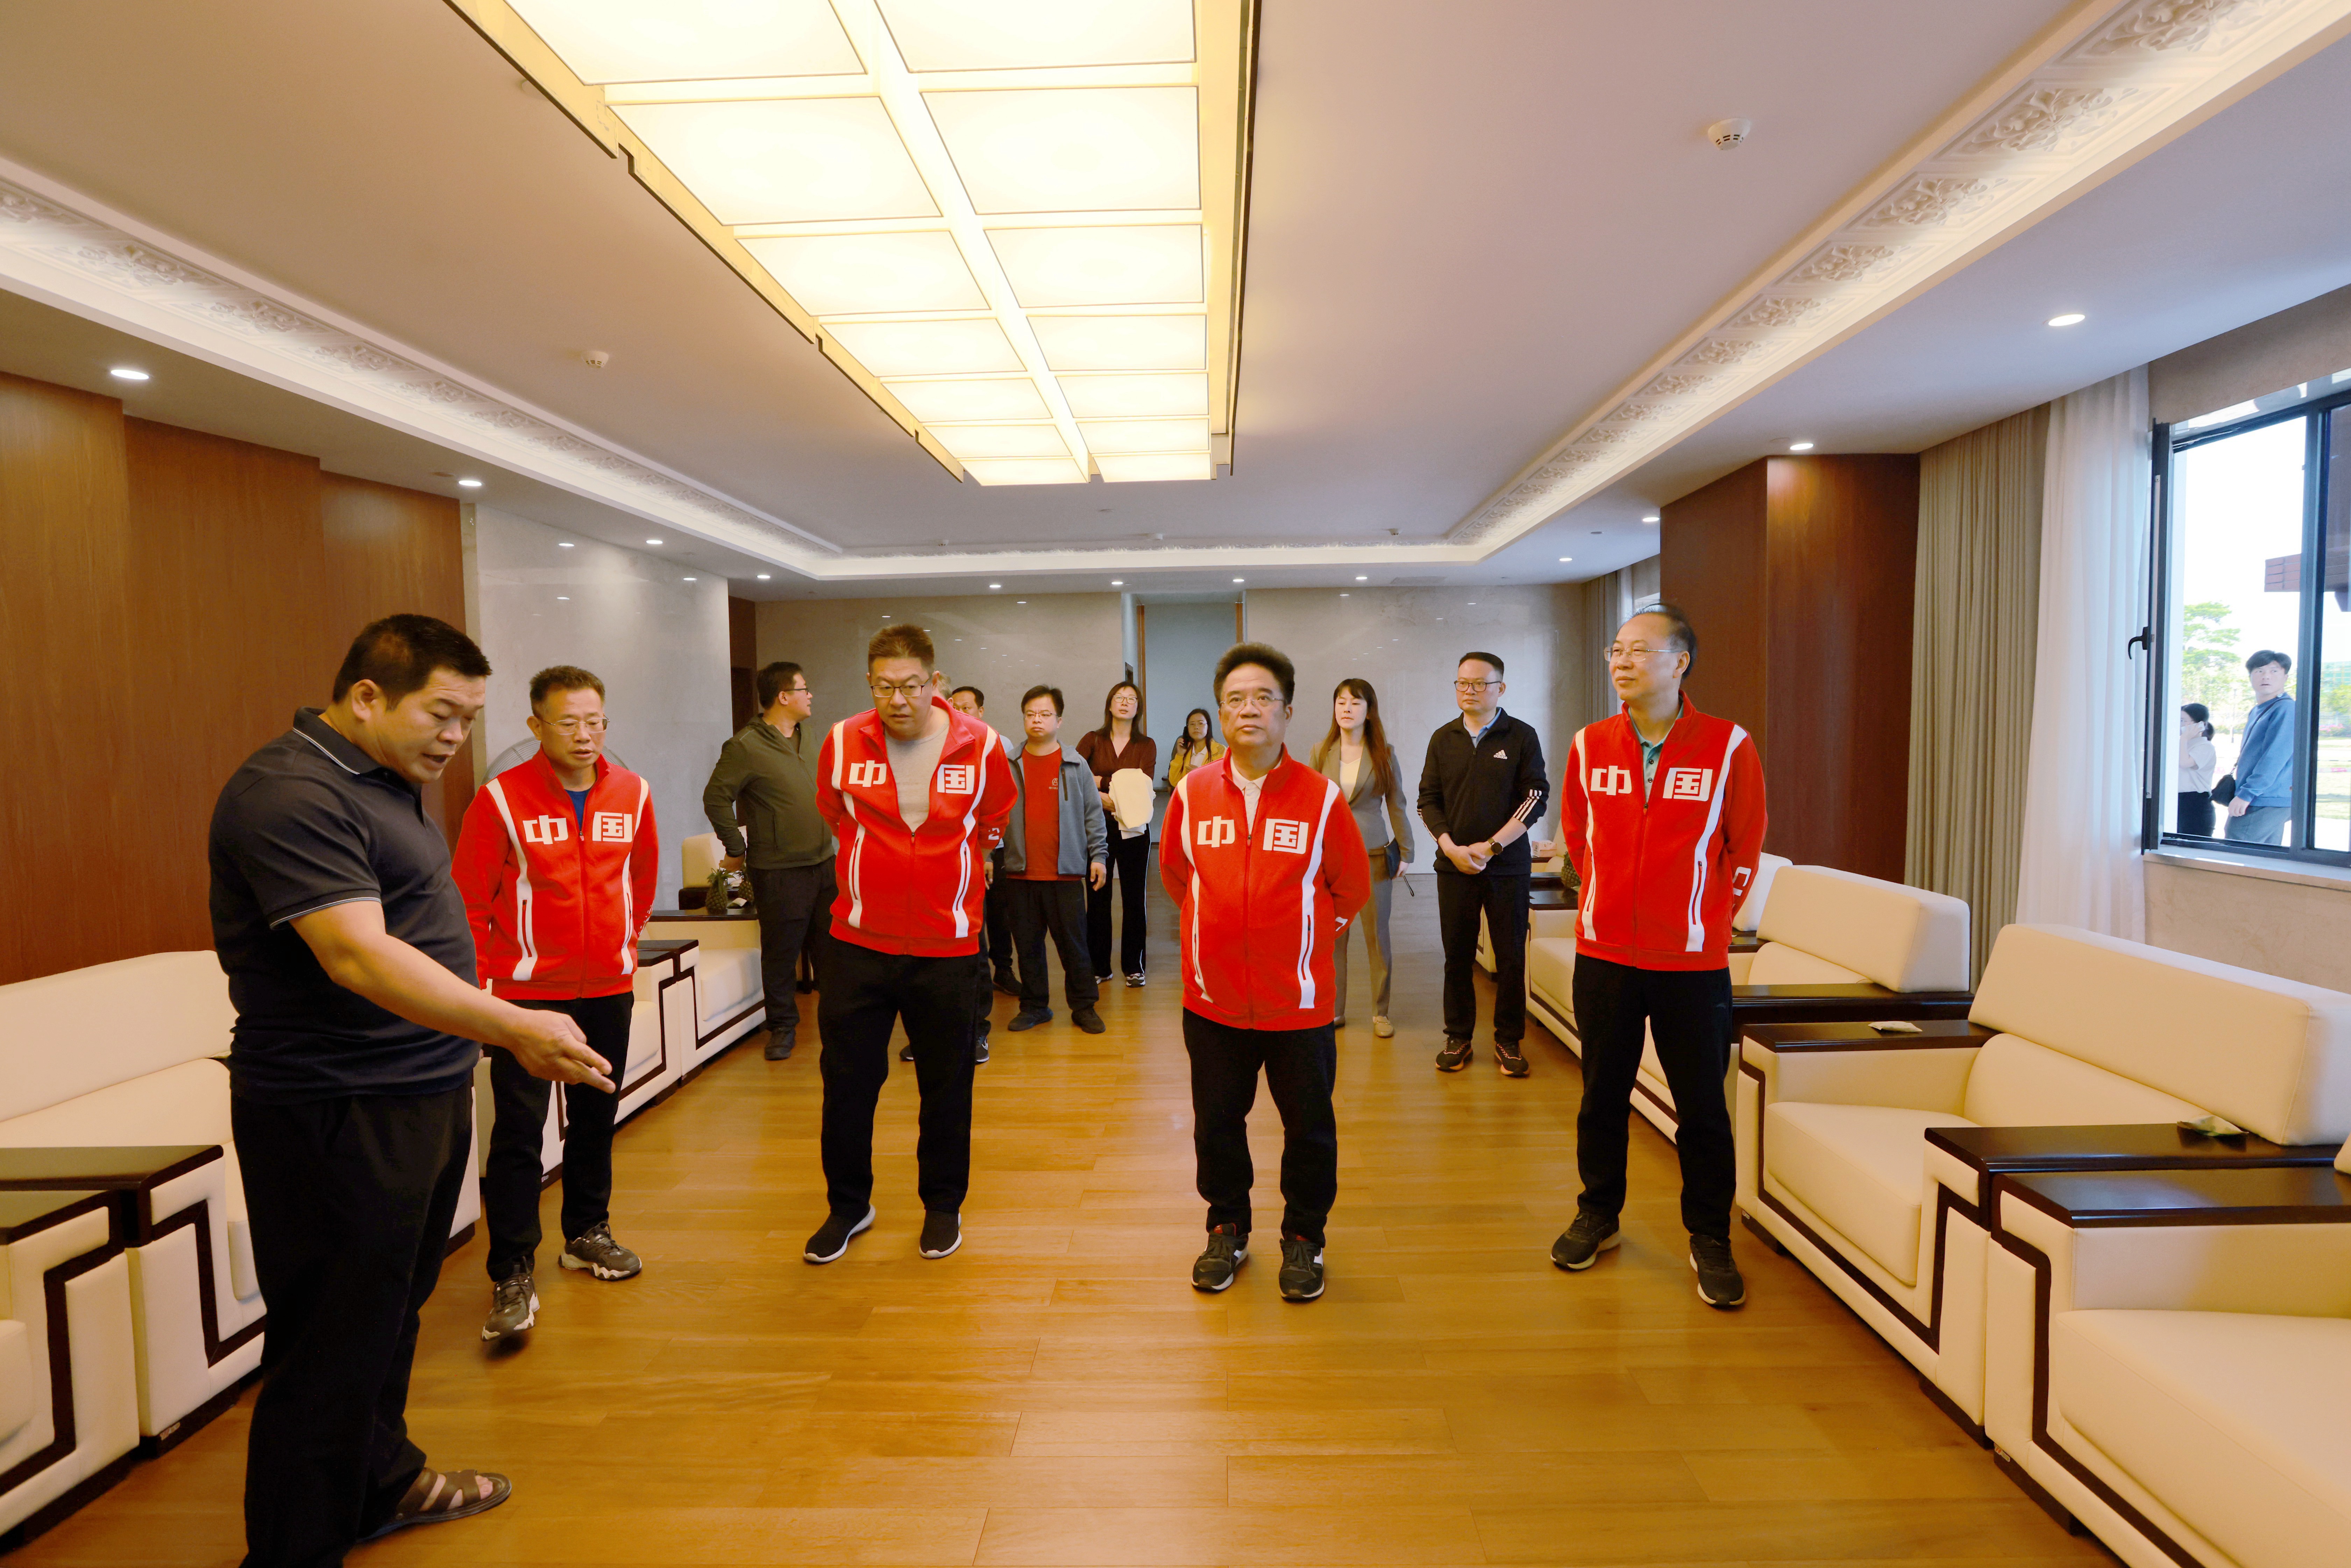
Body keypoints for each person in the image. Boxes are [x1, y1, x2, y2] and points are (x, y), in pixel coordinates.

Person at [209, 615, 614, 1563]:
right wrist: (511, 1024)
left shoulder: (384, 780)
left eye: (470, 718)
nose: (456, 737)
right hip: (338, 1106)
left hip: (417, 1089)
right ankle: (294, 1547)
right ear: (366, 697)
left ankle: (380, 1482)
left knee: (389, 1318)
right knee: (330, 1341)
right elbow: (355, 955)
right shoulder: (289, 792)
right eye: (441, 713)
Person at [1537, 603, 1765, 1311]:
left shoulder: (1727, 746)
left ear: (1679, 662)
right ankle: (1598, 1214)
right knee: (1601, 1095)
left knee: (1701, 1107)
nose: (1621, 661)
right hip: (1604, 954)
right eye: (1616, 650)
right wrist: (1601, 898)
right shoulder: (1589, 744)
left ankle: (1709, 1235)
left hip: (1691, 963)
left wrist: (1704, 921)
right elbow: (1577, 834)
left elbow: (1744, 844)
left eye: (1638, 649)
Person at [453, 665, 655, 1345]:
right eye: (568, 722)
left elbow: (641, 880)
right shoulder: (501, 799)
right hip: (527, 995)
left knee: (597, 1117)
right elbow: (469, 901)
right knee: (519, 1132)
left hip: (608, 989)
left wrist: (623, 947)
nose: (585, 735)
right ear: (536, 725)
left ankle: (586, 1233)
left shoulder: (633, 793)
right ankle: (512, 1269)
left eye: (595, 721)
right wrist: (480, 997)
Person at [1163, 643, 1370, 1302]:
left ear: (1287, 710)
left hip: (1298, 1004)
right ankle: (1226, 1226)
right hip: (1213, 1001)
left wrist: (1297, 945)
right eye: (1235, 699)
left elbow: (1350, 887)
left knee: (1308, 1128)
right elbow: (1178, 878)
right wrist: (1218, 937)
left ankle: (1304, 1235)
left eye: (1262, 698)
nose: (1248, 709)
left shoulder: (1321, 798)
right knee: (1216, 1124)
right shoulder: (1192, 793)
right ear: (1220, 711)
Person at [804, 624, 1015, 1266]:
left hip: (947, 945)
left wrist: (949, 878)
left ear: (934, 681)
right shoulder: (843, 740)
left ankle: (943, 1205)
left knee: (946, 1084)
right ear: (870, 683)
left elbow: (993, 821)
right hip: (857, 943)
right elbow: (834, 813)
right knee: (848, 1084)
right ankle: (848, 1206)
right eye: (884, 686)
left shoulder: (981, 744)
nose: (898, 699)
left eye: (911, 685)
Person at [1416, 651, 1548, 1077]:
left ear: (1500, 688)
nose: (1468, 691)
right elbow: (1427, 801)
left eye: (1479, 683)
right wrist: (1451, 847)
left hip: (1507, 867)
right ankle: (1457, 1036)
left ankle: (1508, 1040)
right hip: (1453, 867)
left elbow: (1535, 797)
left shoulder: (1521, 736)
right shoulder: (1443, 738)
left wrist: (1491, 847)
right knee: (1456, 955)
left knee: (1510, 956)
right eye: (1462, 683)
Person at [704, 661, 836, 1060]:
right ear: (783, 696)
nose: (810, 695)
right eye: (804, 688)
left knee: (833, 951)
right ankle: (781, 1027)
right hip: (778, 870)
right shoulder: (745, 745)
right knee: (781, 953)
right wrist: (735, 848)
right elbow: (716, 798)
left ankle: (840, 1024)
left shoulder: (810, 736)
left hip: (824, 862)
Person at [1001, 686, 1110, 1035]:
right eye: (1031, 714)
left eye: (1045, 714)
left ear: (1059, 720)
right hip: (1019, 873)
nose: (1037, 720)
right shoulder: (1008, 764)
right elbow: (993, 812)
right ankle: (1035, 1006)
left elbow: (1093, 814)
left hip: (1066, 875)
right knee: (1028, 947)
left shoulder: (1076, 764)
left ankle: (1084, 1007)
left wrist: (1099, 856)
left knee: (1074, 947)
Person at [1309, 679, 1413, 1038]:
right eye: (1341, 701)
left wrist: (1406, 850)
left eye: (1355, 702)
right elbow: (1310, 804)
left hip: (1373, 854)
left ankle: (1380, 1013)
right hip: (1329, 856)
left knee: (1377, 935)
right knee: (1333, 936)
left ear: (1369, 711)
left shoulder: (1383, 752)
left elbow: (1396, 804)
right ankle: (1334, 1010)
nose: (1347, 708)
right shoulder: (1321, 751)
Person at [1077, 681, 1157, 987]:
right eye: (1119, 697)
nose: (1124, 702)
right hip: (1098, 827)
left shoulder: (1146, 745)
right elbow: (1075, 775)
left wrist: (1100, 781)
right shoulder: (1093, 739)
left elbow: (1143, 784)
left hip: (1135, 828)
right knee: (1098, 895)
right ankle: (1099, 966)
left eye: (1131, 698)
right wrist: (1102, 795)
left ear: (1138, 708)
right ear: (1110, 704)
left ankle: (1134, 966)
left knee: (1135, 898)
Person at [952, 684, 1020, 996]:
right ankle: (974, 980)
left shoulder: (998, 743)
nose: (960, 713)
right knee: (970, 914)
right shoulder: (945, 743)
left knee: (1000, 913)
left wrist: (990, 852)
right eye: (956, 707)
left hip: (996, 845)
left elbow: (1002, 802)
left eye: (967, 708)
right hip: (962, 849)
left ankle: (1003, 971)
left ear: (981, 711)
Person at [2225, 649, 2296, 845]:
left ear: (2285, 677)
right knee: (2263, 858)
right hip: (2264, 797)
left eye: (2274, 671)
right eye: (2259, 671)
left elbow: (2274, 758)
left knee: (2237, 851)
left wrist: (2247, 794)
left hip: (2265, 798)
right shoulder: (2259, 710)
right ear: (2250, 676)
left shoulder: (2286, 709)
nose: (2266, 676)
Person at [2177, 702, 2217, 837]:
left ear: (2201, 725)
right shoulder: (2180, 745)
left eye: (2183, 721)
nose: (2180, 724)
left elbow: (2185, 763)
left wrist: (2184, 738)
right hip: (2179, 801)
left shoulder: (2205, 747)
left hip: (2196, 804)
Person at [1166, 706, 1225, 786]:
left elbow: (1223, 782)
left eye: (1201, 723)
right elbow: (1174, 782)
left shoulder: (1221, 751)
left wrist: (1199, 775)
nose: (1196, 727)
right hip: (1187, 794)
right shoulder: (1186, 750)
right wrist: (1180, 755)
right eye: (1192, 724)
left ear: (1208, 726)